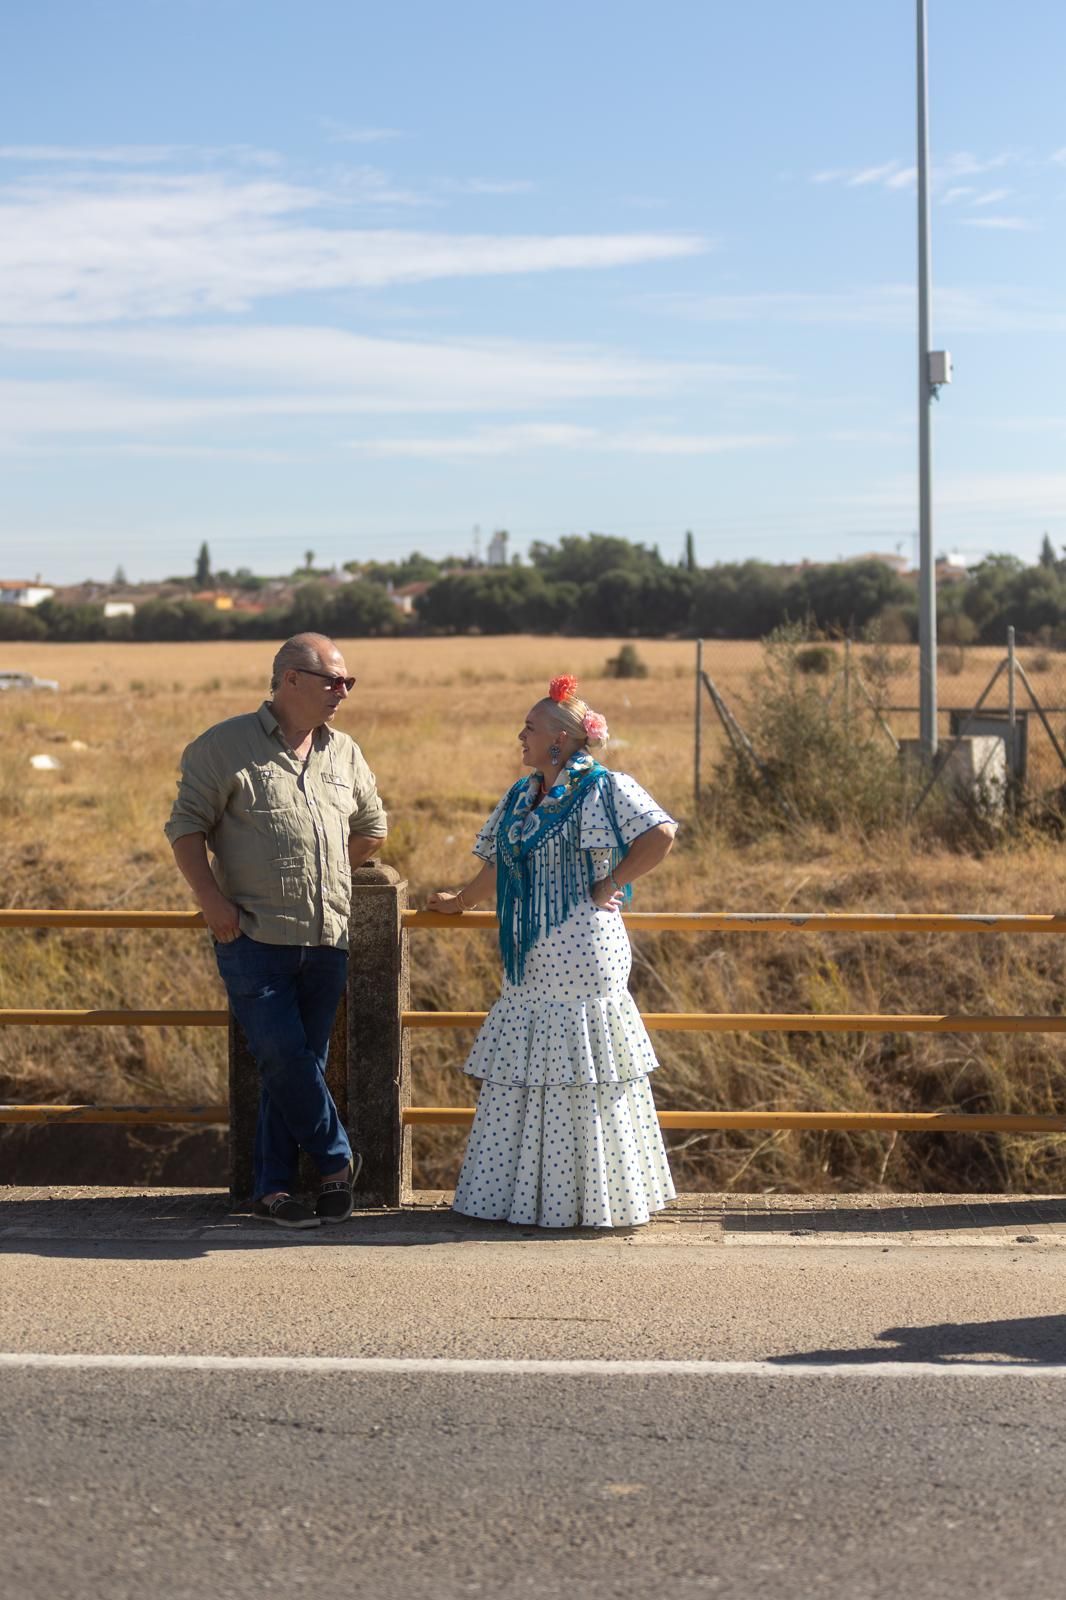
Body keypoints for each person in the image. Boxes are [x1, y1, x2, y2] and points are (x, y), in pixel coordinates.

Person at [427, 674, 678, 1229]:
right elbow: (498, 863)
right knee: (534, 1067)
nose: (521, 736)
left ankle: (588, 1201)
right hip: (530, 952)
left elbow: (660, 834)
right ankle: (536, 1198)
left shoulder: (605, 786)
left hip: (584, 949)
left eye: (531, 728)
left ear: (561, 740)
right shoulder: (522, 796)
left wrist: (610, 883)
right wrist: (462, 901)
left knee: (581, 1068)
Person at [164, 632, 388, 1230]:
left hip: (326, 934)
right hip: (252, 936)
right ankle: (339, 1165)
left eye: (348, 681)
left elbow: (371, 827)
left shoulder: (345, 752)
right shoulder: (223, 746)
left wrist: (328, 869)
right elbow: (186, 829)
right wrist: (210, 900)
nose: (343, 691)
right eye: (333, 680)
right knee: (285, 1057)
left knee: (296, 1066)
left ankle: (273, 1192)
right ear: (291, 679)